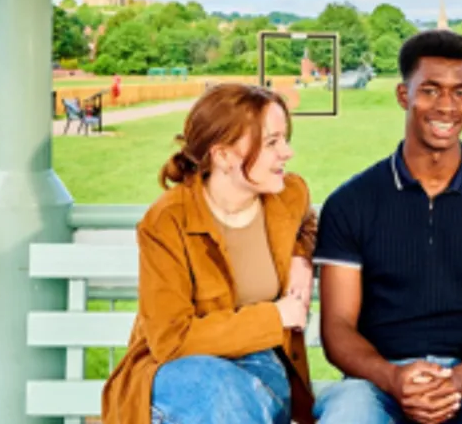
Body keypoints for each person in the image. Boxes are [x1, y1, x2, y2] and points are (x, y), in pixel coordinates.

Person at [311, 29, 462, 423]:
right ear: (405, 96)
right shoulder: (350, 202)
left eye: (461, 92)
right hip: (377, 383)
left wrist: (457, 381)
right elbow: (337, 327)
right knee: (347, 413)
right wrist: (394, 378)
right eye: (431, 90)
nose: (447, 107)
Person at [100, 83, 320, 424]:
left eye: (284, 138)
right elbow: (171, 342)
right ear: (223, 155)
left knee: (230, 402)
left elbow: (308, 223)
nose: (287, 152)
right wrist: (276, 317)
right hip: (179, 370)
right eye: (272, 142)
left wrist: (301, 258)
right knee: (214, 390)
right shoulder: (166, 222)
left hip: (261, 362)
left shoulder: (288, 194)